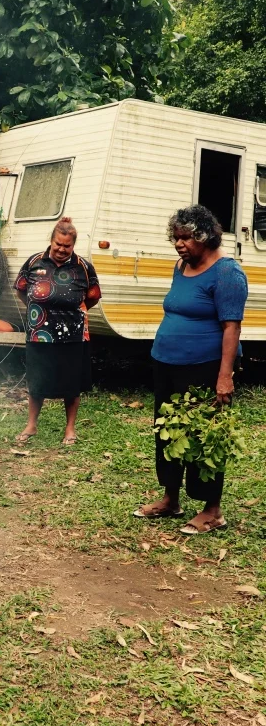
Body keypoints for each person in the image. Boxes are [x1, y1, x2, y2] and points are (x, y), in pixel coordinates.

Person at [134, 205, 247, 536]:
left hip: (205, 367)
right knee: (167, 432)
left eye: (186, 238)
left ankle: (212, 510)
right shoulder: (181, 266)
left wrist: (224, 377)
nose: (179, 244)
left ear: (205, 237)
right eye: (176, 237)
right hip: (167, 363)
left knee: (203, 436)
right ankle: (170, 498)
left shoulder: (227, 273)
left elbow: (232, 328)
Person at [13, 218, 101, 445]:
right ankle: (31, 425)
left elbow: (92, 297)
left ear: (73, 244)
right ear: (51, 241)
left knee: (72, 384)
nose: (62, 250)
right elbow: (21, 290)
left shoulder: (83, 266)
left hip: (74, 335)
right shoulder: (34, 262)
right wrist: (39, 311)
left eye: (67, 246)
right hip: (39, 333)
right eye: (58, 244)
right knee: (37, 381)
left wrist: (71, 313)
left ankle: (70, 428)